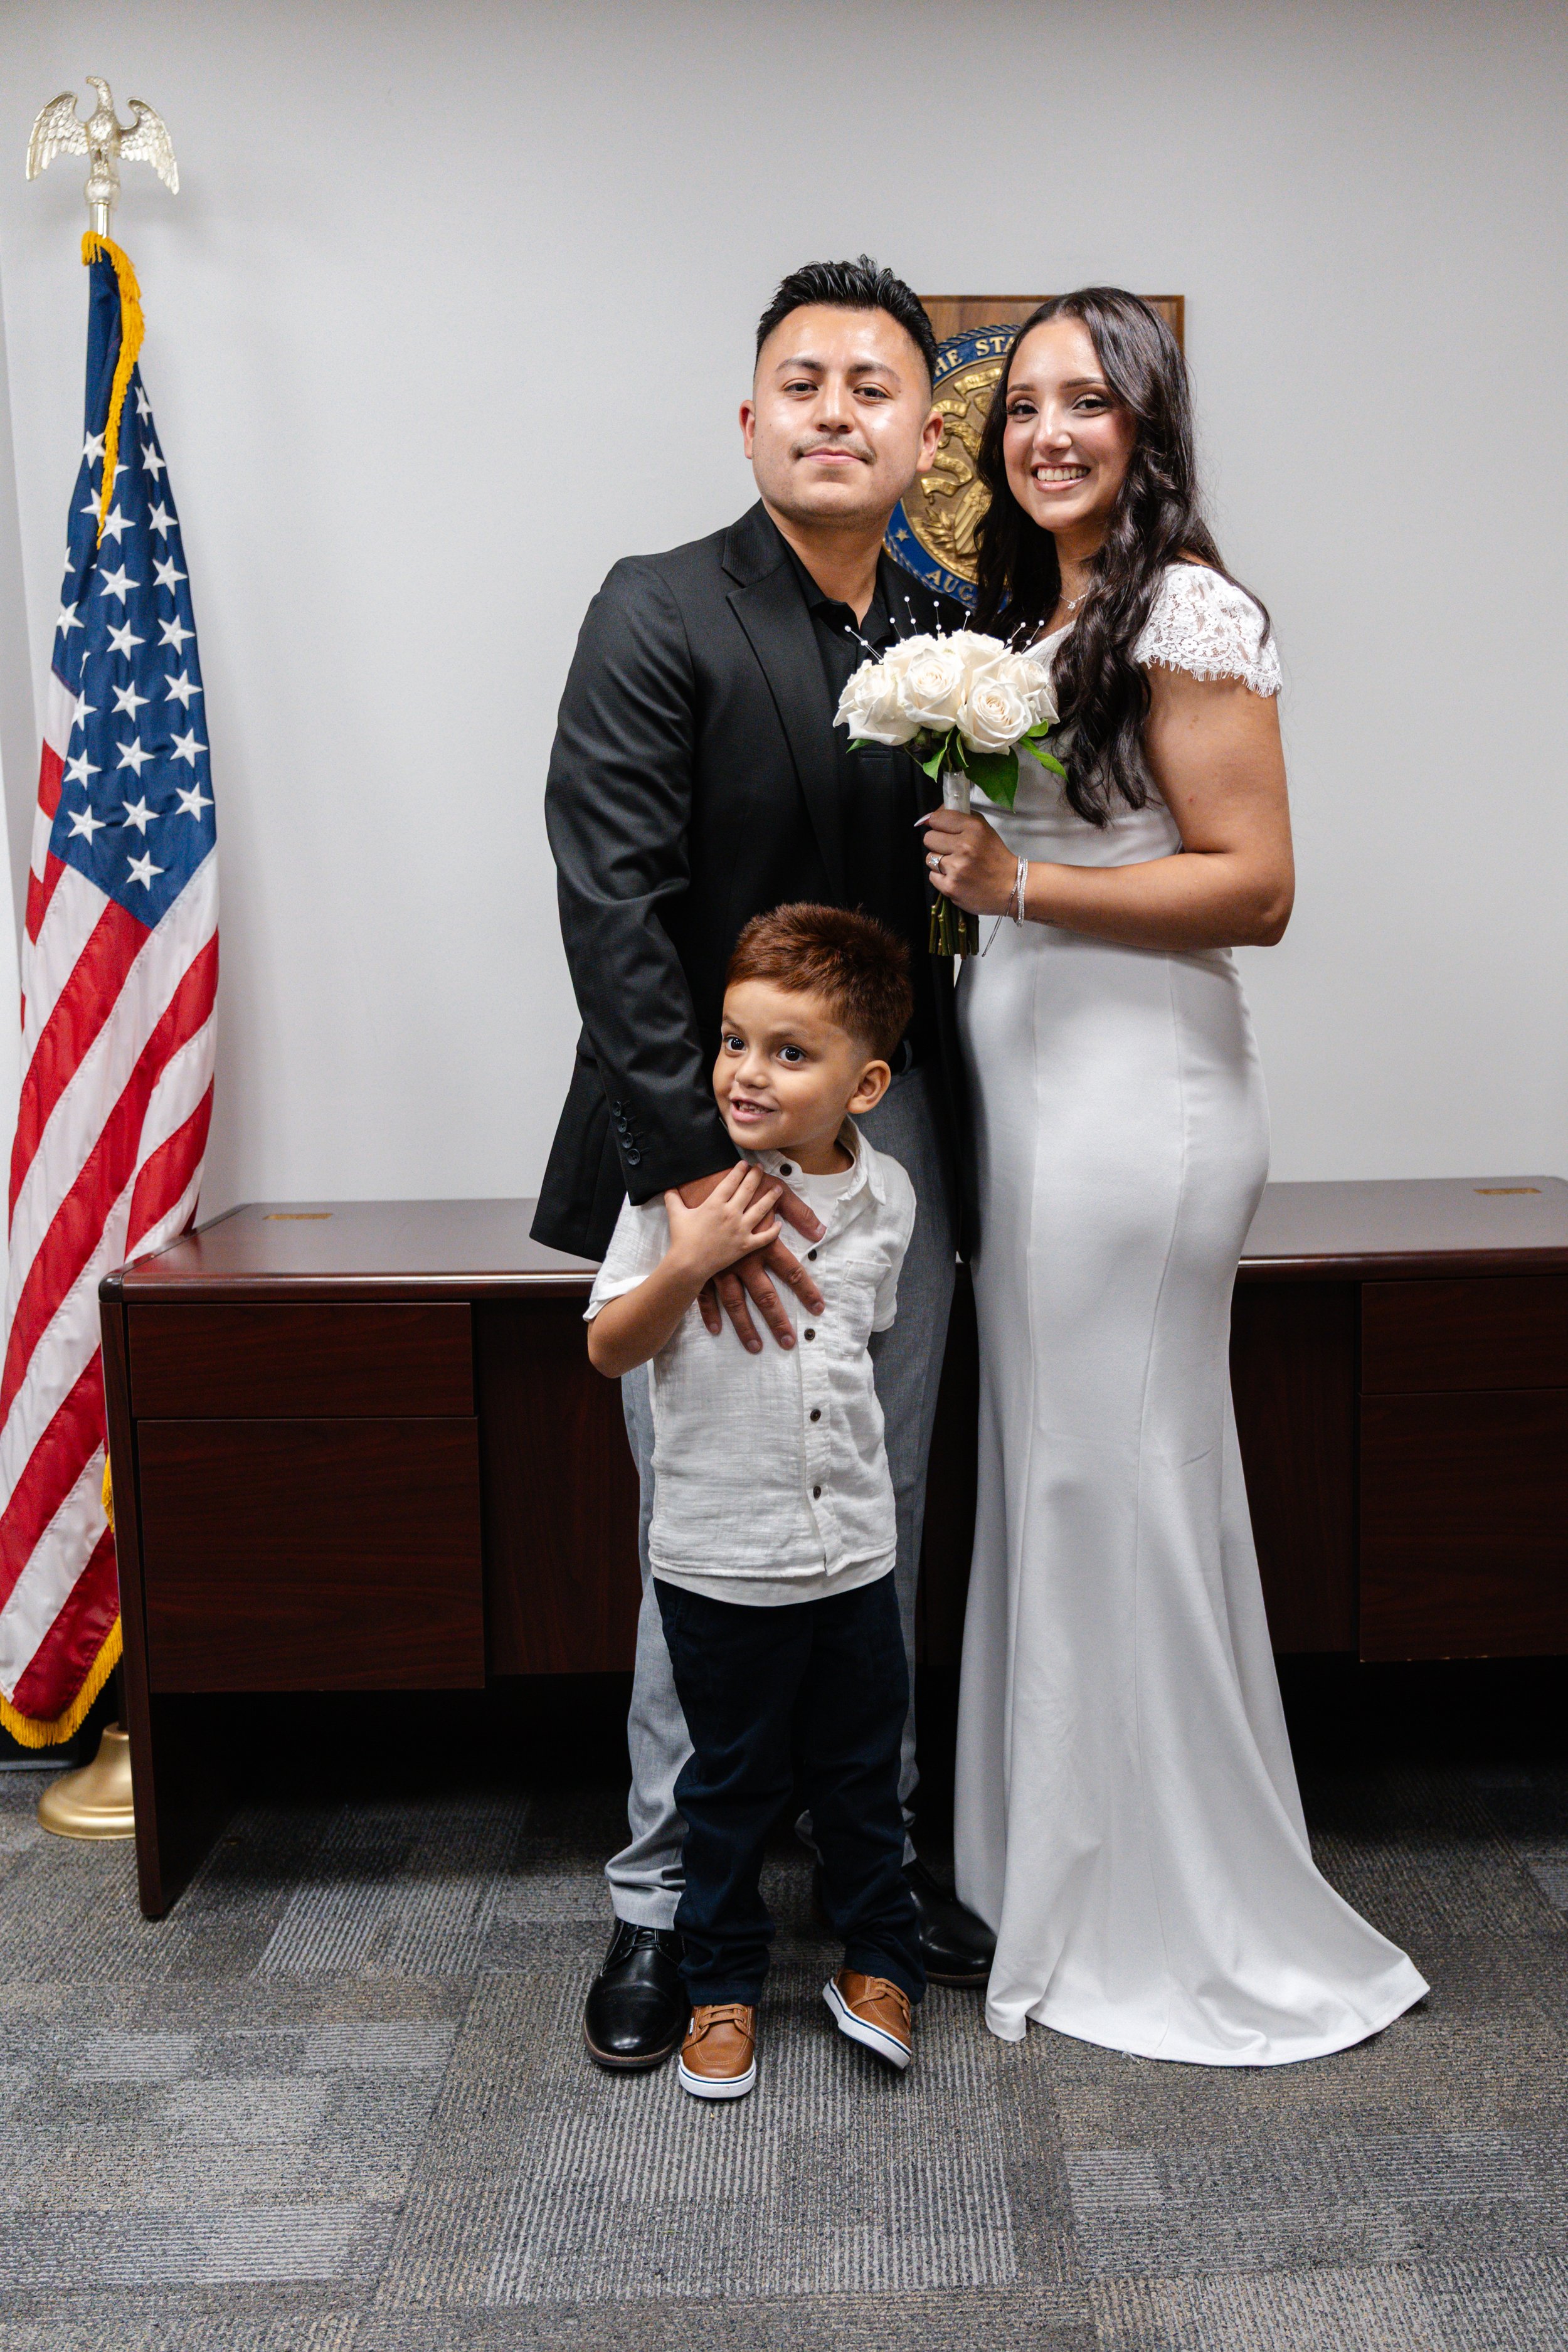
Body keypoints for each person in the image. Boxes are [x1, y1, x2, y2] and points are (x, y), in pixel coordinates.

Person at [922, 289, 1428, 2064]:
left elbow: (1255, 884)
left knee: (1110, 1475)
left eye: (1085, 401)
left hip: (1136, 1097)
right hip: (1030, 1089)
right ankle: (1049, 1862)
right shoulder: (1040, 616)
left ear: (1145, 423)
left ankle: (1165, 1902)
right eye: (1022, 405)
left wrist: (1020, 888)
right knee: (1061, 1473)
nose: (1046, 432)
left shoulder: (1186, 606)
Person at [534, 257, 995, 2075]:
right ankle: (662, 1899)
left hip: (899, 1139)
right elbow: (610, 903)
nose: (832, 410)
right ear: (750, 420)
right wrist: (687, 1185)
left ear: (919, 435)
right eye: (800, 382)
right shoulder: (656, 606)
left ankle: (875, 1875)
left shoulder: (960, 631)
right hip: (701, 1136)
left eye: (869, 387)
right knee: (705, 1526)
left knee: (880, 1506)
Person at [584, 906, 926, 2099]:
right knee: (725, 1790)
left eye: (789, 1052)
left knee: (861, 1777)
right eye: (733, 1041)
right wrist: (688, 1260)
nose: (745, 1072)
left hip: (853, 1555)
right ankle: (721, 1982)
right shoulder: (677, 1195)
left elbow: (862, 1344)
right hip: (719, 1559)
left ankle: (880, 1960)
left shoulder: (889, 1197)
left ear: (864, 1085)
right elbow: (608, 1347)